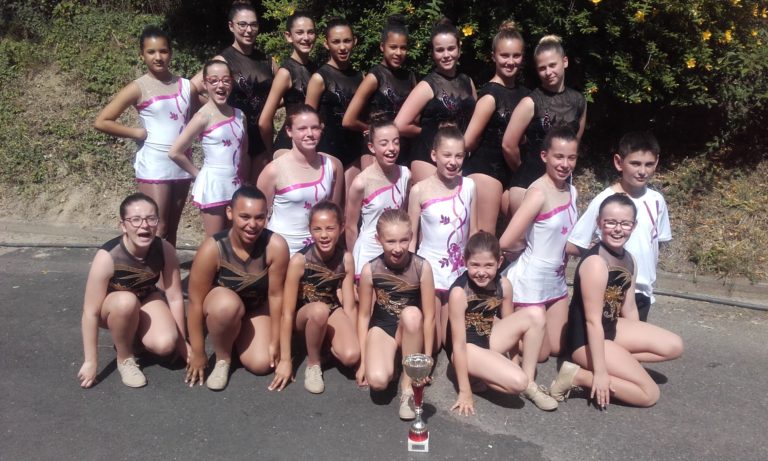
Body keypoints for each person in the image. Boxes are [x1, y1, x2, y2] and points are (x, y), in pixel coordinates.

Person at [550, 193, 683, 408]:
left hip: (612, 327)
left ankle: (617, 361)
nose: (618, 229)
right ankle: (578, 376)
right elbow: (592, 321)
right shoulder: (596, 263)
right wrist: (600, 373)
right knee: (649, 394)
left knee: (674, 346)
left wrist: (635, 351)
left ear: (634, 225)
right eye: (610, 222)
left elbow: (629, 308)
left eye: (625, 223)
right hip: (586, 340)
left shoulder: (629, 259)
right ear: (599, 223)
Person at [93, 26, 194, 246]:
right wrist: (136, 133)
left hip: (182, 163)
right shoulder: (138, 87)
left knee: (172, 228)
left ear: (171, 53)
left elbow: (205, 112)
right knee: (157, 227)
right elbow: (102, 121)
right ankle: (146, 268)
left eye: (163, 51)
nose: (158, 57)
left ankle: (167, 268)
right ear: (142, 55)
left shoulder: (186, 85)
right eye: (151, 52)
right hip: (155, 163)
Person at [184, 186, 290, 391]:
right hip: (222, 307)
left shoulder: (275, 246)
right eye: (245, 217)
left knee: (262, 364)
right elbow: (195, 303)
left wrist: (275, 341)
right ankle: (223, 358)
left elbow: (276, 297)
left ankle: (235, 336)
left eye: (259, 217)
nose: (252, 225)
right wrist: (198, 351)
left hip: (256, 309)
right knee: (227, 307)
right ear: (230, 213)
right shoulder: (213, 248)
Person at [77, 193, 187, 388]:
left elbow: (175, 297)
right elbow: (90, 312)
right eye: (135, 219)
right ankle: (125, 358)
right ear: (123, 225)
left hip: (146, 298)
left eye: (151, 218)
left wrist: (182, 344)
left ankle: (133, 336)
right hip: (113, 308)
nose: (144, 225)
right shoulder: (107, 256)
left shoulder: (165, 249)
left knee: (165, 345)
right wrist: (90, 361)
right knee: (126, 302)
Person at [447, 232, 558, 414]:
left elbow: (511, 328)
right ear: (465, 261)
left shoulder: (504, 285)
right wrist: (464, 392)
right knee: (518, 382)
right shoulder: (459, 293)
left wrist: (513, 362)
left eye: (488, 265)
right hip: (467, 350)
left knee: (536, 314)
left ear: (499, 262)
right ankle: (475, 377)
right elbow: (458, 345)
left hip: (488, 339)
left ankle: (529, 383)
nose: (481, 272)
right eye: (475, 265)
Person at [567, 131, 671, 321]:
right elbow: (574, 244)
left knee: (637, 338)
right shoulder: (604, 200)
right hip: (611, 289)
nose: (642, 171)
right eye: (635, 163)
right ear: (618, 162)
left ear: (656, 163)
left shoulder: (657, 201)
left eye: (649, 164)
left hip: (643, 291)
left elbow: (657, 242)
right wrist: (599, 256)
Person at [499, 126, 578, 362]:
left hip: (556, 280)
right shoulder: (537, 193)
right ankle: (489, 328)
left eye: (571, 158)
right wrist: (526, 248)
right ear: (545, 156)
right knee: (541, 354)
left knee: (557, 347)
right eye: (559, 157)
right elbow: (506, 241)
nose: (565, 164)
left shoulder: (572, 191)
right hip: (531, 281)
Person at [356, 209, 436, 420]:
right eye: (390, 241)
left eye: (404, 240)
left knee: (412, 314)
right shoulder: (370, 270)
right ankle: (394, 360)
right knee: (378, 381)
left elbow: (429, 317)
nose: (398, 248)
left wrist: (426, 361)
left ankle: (407, 387)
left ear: (411, 237)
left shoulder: (422, 267)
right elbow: (363, 316)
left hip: (410, 328)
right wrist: (363, 362)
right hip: (382, 327)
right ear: (378, 239)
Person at [277, 201, 359, 394]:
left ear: (341, 228)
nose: (324, 235)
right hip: (303, 316)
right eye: (317, 229)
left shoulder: (346, 258)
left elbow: (349, 306)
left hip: (331, 308)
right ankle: (313, 364)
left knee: (351, 355)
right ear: (310, 230)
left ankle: (324, 345)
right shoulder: (299, 261)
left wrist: (357, 348)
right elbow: (287, 313)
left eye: (330, 228)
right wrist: (285, 359)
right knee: (319, 310)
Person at [501, 35, 586, 215]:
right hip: (528, 182)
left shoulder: (579, 101)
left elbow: (574, 145)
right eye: (542, 68)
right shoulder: (529, 103)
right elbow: (508, 145)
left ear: (565, 62)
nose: (548, 72)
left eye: (552, 65)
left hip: (561, 181)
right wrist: (523, 168)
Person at [192, 2, 276, 183]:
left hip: (263, 138)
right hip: (235, 136)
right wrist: (216, 111)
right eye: (242, 24)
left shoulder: (267, 61)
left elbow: (282, 92)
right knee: (236, 193)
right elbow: (191, 90)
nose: (249, 30)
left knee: (258, 194)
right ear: (231, 26)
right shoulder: (223, 60)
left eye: (253, 24)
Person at [408, 126, 477, 348]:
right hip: (430, 269)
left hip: (459, 270)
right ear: (434, 155)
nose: (453, 162)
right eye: (447, 155)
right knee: (435, 342)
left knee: (451, 341)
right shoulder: (419, 190)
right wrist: (409, 274)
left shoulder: (469, 186)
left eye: (459, 156)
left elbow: (474, 231)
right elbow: (411, 237)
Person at [463, 21, 529, 234]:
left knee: (517, 235)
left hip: (513, 170)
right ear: (493, 56)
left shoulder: (526, 94)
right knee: (484, 237)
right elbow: (468, 141)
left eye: (516, 56)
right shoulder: (490, 95)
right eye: (504, 55)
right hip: (485, 169)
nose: (510, 61)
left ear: (523, 57)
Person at [170, 59, 246, 238]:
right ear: (205, 84)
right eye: (214, 80)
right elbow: (175, 152)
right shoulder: (202, 116)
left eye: (226, 80)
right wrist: (199, 174)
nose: (221, 85)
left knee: (234, 239)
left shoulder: (239, 114)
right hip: (213, 185)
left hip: (236, 184)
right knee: (215, 241)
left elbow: (244, 150)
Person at [395, 18, 476, 184]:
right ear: (433, 53)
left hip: (459, 157)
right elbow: (400, 125)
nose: (446, 55)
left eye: (451, 48)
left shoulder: (467, 82)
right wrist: (431, 132)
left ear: (459, 49)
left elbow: (475, 121)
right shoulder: (427, 85)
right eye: (440, 50)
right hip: (427, 156)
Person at [257, 104, 344, 256]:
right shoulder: (273, 170)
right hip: (282, 250)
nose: (310, 134)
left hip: (318, 250)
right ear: (289, 131)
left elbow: (334, 213)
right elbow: (259, 216)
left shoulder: (332, 166)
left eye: (315, 128)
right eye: (302, 128)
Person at [342, 15, 417, 168]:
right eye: (393, 47)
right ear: (382, 47)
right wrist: (371, 129)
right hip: (375, 152)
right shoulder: (374, 77)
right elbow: (348, 120)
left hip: (403, 150)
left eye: (403, 48)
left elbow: (415, 118)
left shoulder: (410, 77)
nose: (398, 53)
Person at [345, 119, 411, 278]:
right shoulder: (361, 182)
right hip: (369, 253)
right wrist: (353, 264)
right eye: (384, 143)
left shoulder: (405, 174)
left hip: (396, 253)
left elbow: (404, 215)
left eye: (396, 142)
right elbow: (350, 227)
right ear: (371, 147)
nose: (391, 148)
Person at [305, 17, 364, 189]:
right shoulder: (319, 78)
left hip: (354, 151)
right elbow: (307, 120)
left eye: (347, 41)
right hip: (327, 150)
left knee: (352, 201)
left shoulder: (360, 77)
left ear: (354, 41)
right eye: (336, 42)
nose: (342, 47)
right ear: (326, 44)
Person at [258, 11, 317, 154]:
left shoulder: (316, 68)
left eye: (310, 32)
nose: (306, 37)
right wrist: (271, 152)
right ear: (289, 36)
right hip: (289, 146)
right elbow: (264, 120)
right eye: (300, 32)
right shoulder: (285, 73)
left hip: (310, 142)